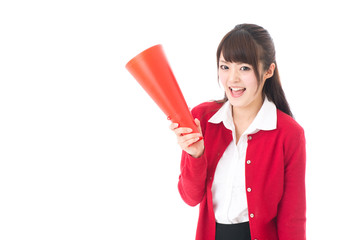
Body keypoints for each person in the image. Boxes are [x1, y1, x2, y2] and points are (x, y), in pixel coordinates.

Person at [170, 24, 306, 240]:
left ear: (268, 70)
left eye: (244, 68)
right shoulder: (203, 118)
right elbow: (190, 197)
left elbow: (292, 217)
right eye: (225, 67)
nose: (232, 79)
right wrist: (195, 154)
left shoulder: (289, 133)